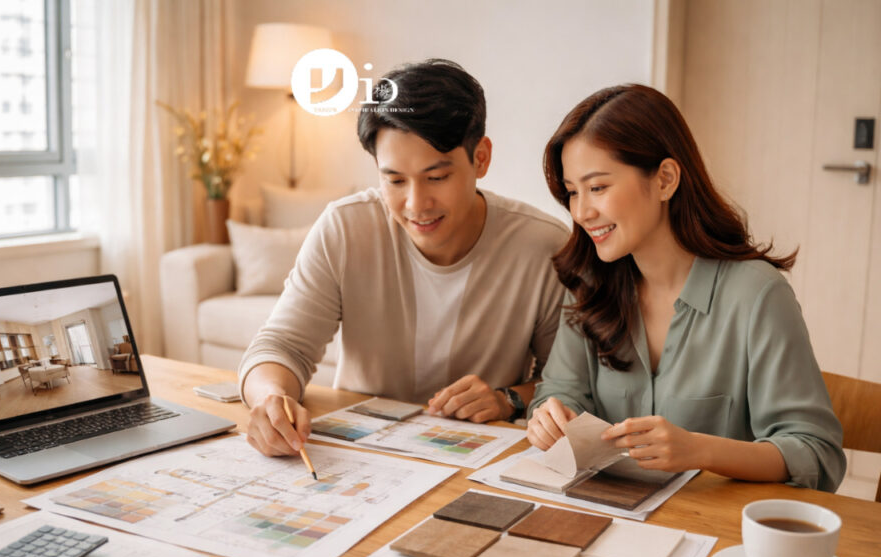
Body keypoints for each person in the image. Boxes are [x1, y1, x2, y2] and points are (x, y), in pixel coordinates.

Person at [241, 59, 568, 457]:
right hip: (362, 453)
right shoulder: (345, 228)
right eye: (394, 180)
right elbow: (282, 347)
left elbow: (568, 382)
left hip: (480, 457)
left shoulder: (543, 245)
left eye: (437, 177)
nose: (416, 204)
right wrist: (271, 398)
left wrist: (508, 400)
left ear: (480, 158)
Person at [527, 84, 845, 492]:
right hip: (610, 518)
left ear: (665, 179)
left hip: (718, 535)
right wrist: (550, 418)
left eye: (598, 187)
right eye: (573, 192)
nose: (582, 211)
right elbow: (557, 392)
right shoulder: (591, 287)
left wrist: (700, 450)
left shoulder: (758, 295)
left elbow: (816, 453)